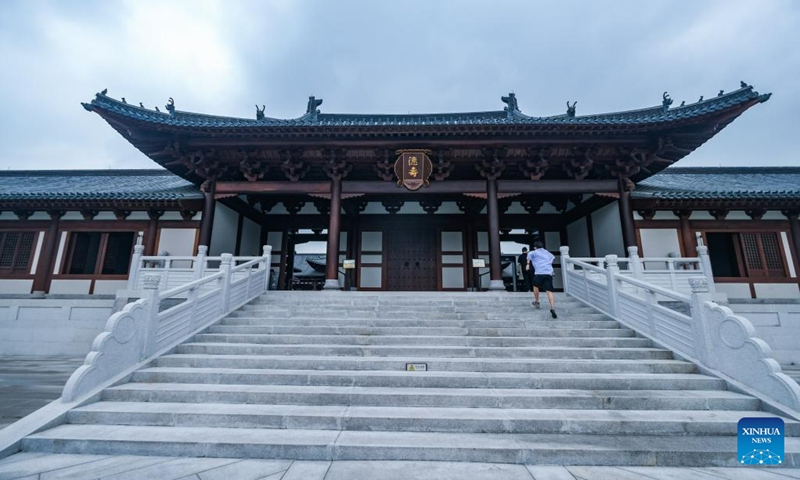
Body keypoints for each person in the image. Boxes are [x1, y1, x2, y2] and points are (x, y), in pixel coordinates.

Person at [527, 240, 557, 319]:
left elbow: (529, 255)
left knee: (535, 286)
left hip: (539, 272)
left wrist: (527, 264)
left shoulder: (534, 252)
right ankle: (552, 307)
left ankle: (536, 301)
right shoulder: (547, 253)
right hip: (548, 273)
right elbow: (552, 258)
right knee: (549, 291)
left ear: (535, 247)